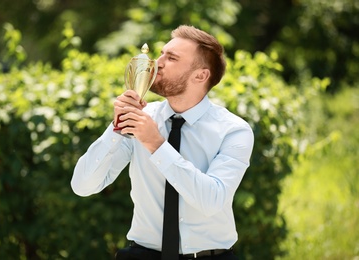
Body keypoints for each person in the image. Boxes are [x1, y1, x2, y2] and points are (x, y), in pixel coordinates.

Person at [71, 25, 254, 260]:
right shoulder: (142, 120)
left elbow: (211, 200)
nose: (158, 63)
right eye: (161, 54)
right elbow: (83, 186)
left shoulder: (233, 130)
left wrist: (156, 144)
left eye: (172, 58)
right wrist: (116, 128)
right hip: (141, 254)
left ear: (201, 75)